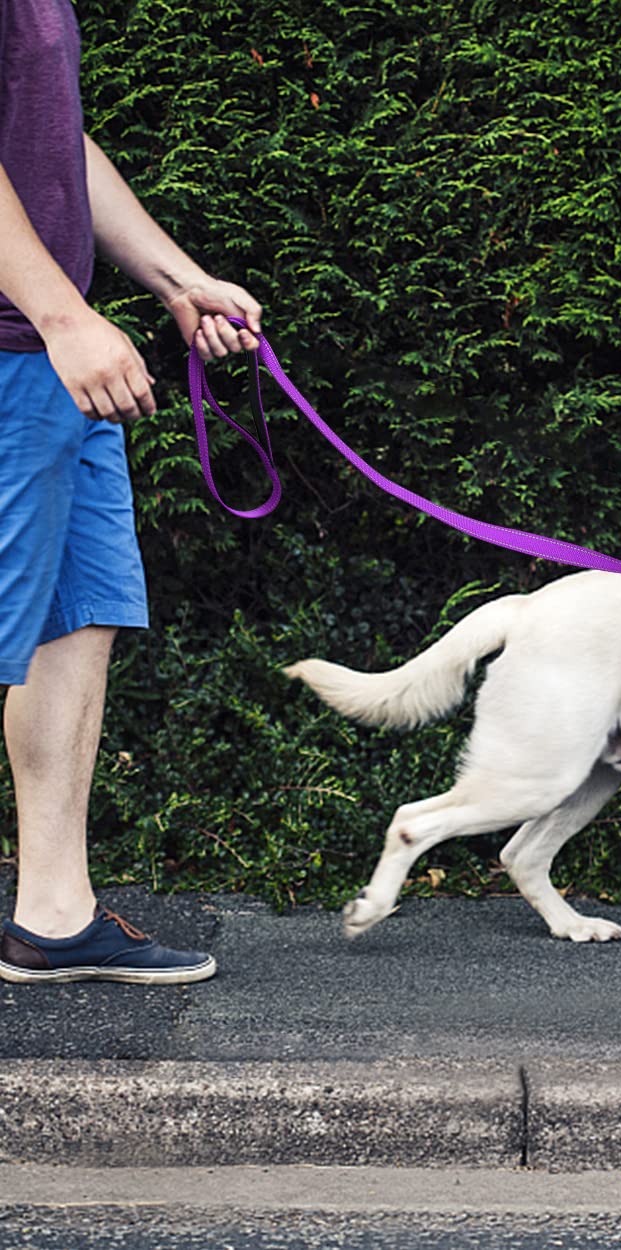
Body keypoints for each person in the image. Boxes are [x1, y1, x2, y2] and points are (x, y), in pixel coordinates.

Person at [0, 0, 263, 983]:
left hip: (42, 352)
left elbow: (49, 139)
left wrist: (175, 279)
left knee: (76, 618)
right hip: (24, 342)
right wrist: (65, 317)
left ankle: (54, 917)